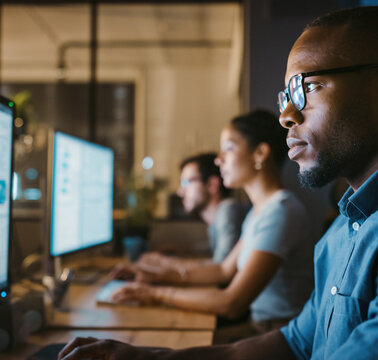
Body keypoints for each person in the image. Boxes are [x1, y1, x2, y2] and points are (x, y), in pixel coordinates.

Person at [58, 6, 378, 360]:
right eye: (285, 94)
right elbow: (292, 343)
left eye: (306, 89)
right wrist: (150, 357)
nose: (286, 115)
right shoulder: (346, 227)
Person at [109, 110, 316, 336]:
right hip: (261, 329)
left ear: (260, 153)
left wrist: (155, 293)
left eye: (228, 148)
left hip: (282, 335)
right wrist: (155, 276)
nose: (219, 159)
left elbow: (232, 302)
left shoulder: (281, 211)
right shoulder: (261, 211)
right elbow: (222, 270)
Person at [126, 153, 247, 275]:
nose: (180, 192)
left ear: (212, 185)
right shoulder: (216, 220)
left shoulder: (228, 211)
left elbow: (220, 268)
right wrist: (178, 250)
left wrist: (166, 263)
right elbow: (210, 249)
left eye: (186, 182)